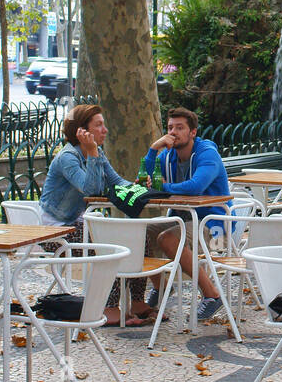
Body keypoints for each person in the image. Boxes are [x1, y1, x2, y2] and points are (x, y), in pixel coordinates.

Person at [39, 104, 137, 325]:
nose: (105, 130)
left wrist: (141, 190)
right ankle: (109, 308)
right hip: (55, 232)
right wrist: (92, 151)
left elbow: (117, 182)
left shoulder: (97, 153)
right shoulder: (68, 157)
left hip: (79, 224)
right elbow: (90, 190)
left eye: (104, 124)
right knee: (110, 245)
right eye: (99, 125)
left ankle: (138, 302)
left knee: (136, 238)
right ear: (82, 132)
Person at [144, 107, 232, 324]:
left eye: (180, 128)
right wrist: (155, 148)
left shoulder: (207, 153)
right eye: (170, 127)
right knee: (142, 233)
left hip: (215, 225)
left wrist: (165, 186)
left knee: (168, 238)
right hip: (184, 219)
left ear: (193, 132)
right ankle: (162, 288)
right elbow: (149, 171)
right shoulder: (169, 154)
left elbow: (196, 186)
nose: (173, 132)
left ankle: (212, 295)